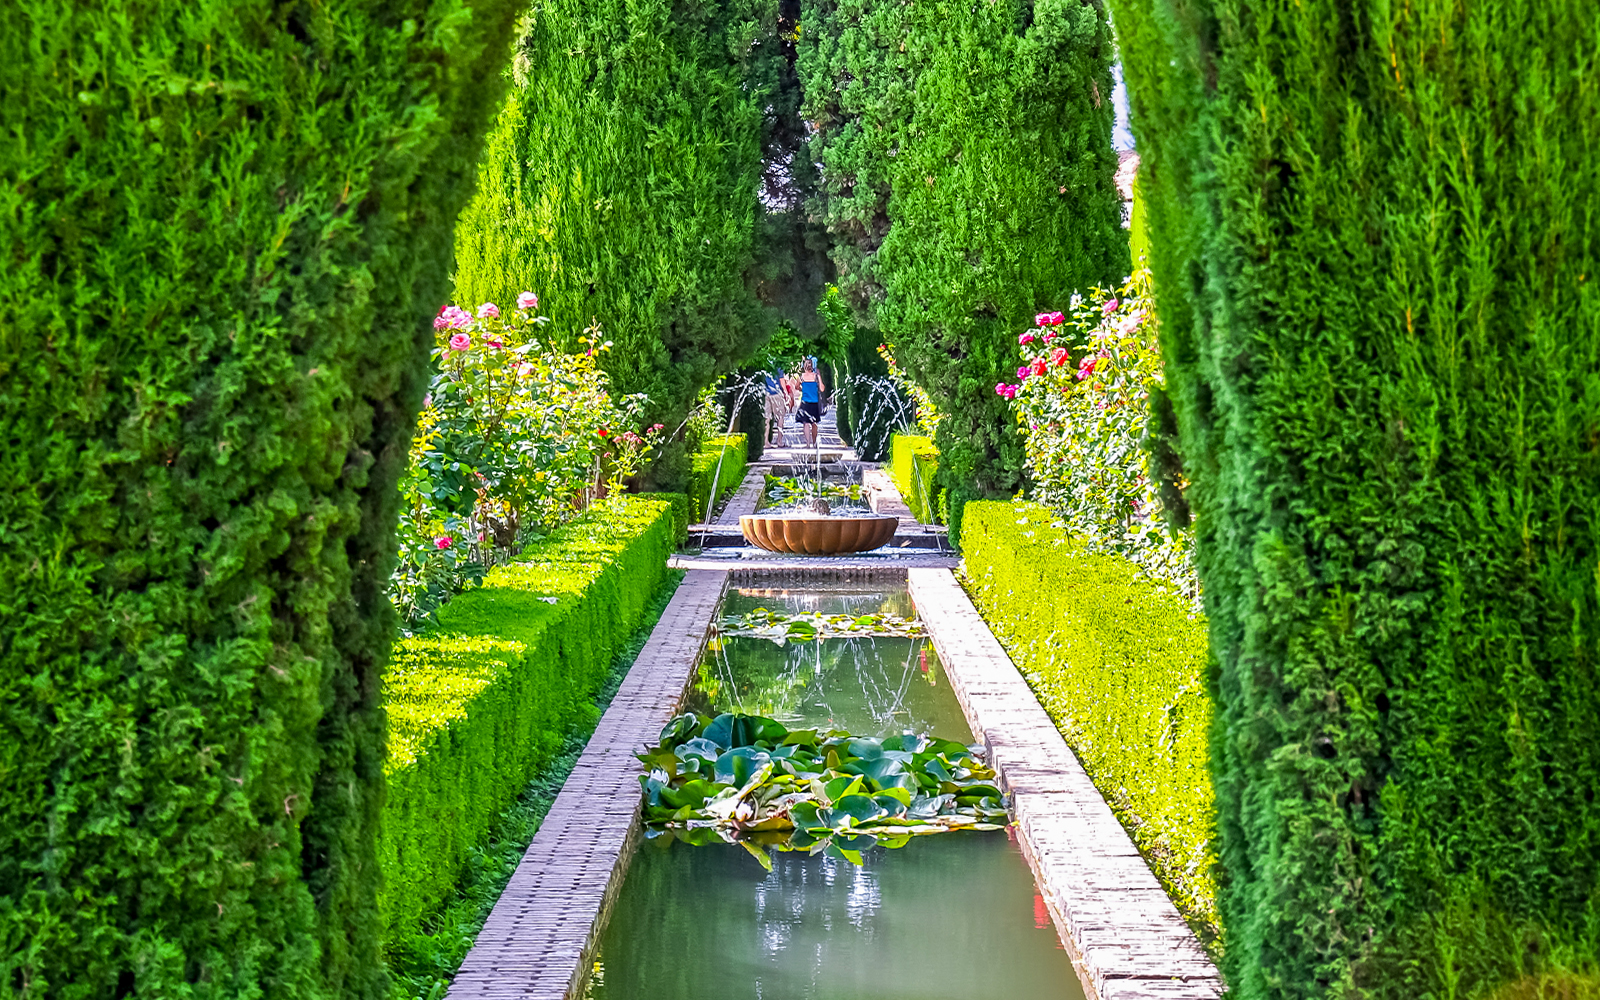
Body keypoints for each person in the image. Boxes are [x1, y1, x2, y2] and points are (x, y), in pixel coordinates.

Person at [795, 357, 827, 446]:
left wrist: (803, 390)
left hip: (807, 402)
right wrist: (819, 377)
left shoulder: (802, 377)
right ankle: (812, 443)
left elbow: (796, 387)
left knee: (807, 423)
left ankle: (809, 443)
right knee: (812, 423)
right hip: (812, 402)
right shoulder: (815, 376)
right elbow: (822, 389)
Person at [762, 369, 786, 445]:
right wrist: (785, 392)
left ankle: (766, 442)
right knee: (780, 418)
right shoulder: (778, 365)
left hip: (766, 393)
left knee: (767, 418)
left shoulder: (765, 364)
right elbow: (781, 380)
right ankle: (779, 441)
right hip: (777, 393)